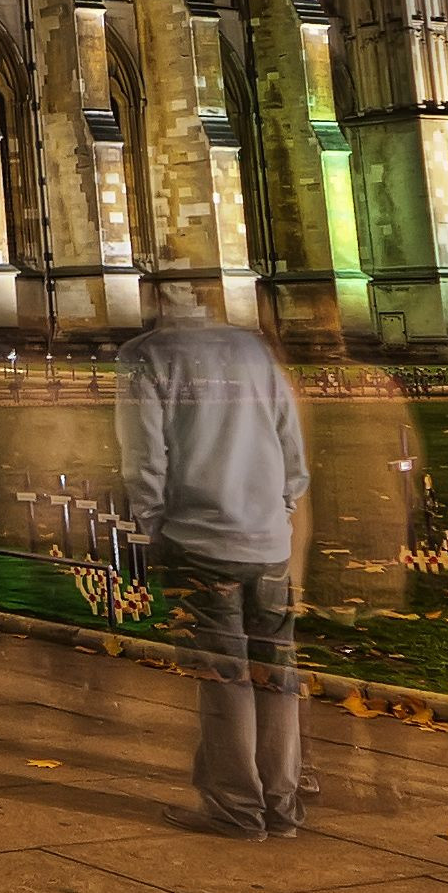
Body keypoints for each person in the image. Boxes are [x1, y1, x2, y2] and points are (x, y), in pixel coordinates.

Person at [113, 276, 312, 838]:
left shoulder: (144, 357)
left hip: (199, 541)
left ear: (153, 300)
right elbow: (289, 442)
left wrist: (152, 525)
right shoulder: (252, 350)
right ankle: (283, 803)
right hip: (267, 539)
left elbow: (145, 457)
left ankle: (236, 806)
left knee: (224, 676)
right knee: (278, 672)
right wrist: (279, 506)